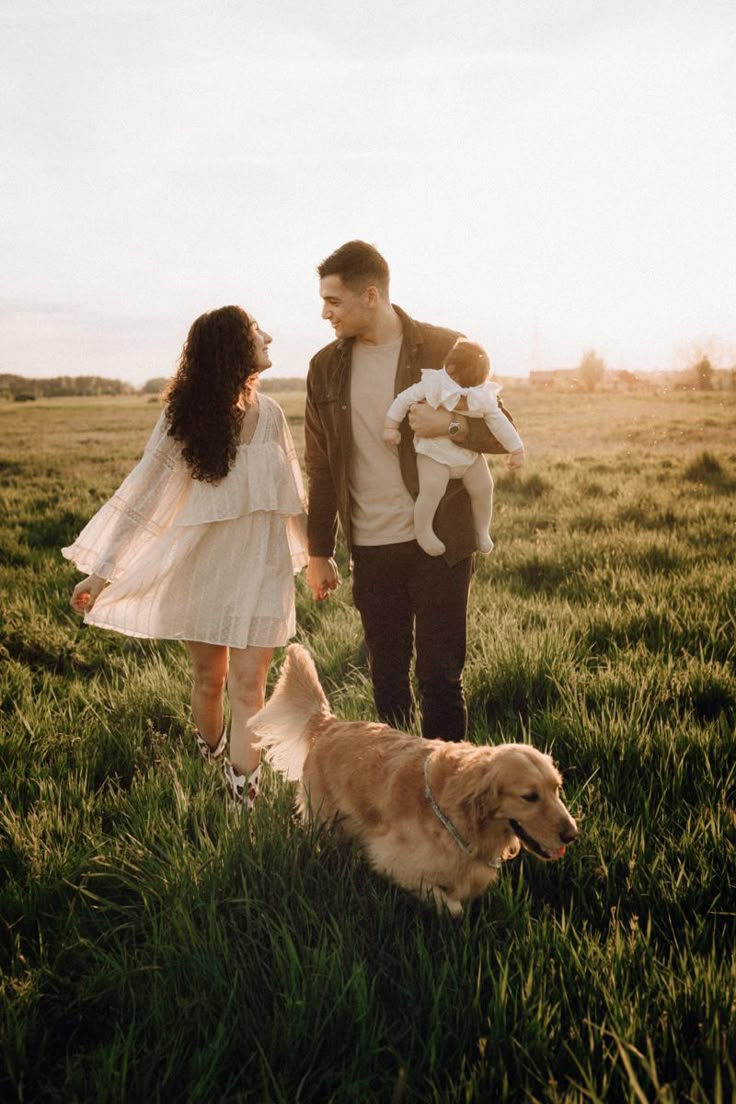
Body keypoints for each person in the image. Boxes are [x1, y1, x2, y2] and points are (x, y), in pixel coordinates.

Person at [63, 305, 308, 807]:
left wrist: (318, 557)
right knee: (209, 678)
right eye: (255, 330)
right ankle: (210, 761)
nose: (268, 336)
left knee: (249, 687)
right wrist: (101, 575)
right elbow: (144, 497)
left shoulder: (274, 416)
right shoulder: (185, 419)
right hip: (205, 568)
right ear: (229, 348)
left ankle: (243, 803)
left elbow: (292, 497)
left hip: (263, 569)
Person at [304, 240, 518, 743]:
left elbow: (503, 427)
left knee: (441, 678)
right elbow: (320, 466)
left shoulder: (446, 347)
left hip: (440, 539)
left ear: (371, 296)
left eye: (333, 301)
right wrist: (318, 551)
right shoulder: (324, 367)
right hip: (371, 545)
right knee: (388, 681)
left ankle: (449, 800)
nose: (324, 313)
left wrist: (451, 427)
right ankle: (398, 799)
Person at [384, 337, 525, 557]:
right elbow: (404, 399)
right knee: (432, 488)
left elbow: (500, 422)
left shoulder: (482, 396)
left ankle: (481, 531)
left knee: (484, 487)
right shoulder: (434, 383)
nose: (462, 393)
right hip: (434, 452)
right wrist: (390, 426)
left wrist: (517, 449)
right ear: (449, 370)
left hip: (467, 454)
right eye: (458, 382)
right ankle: (423, 531)